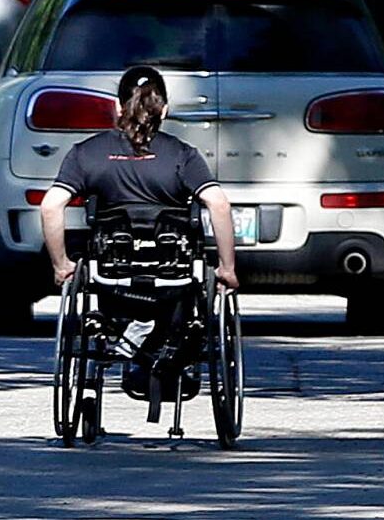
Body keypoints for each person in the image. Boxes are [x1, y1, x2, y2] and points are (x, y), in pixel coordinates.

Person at [39, 66, 238, 389]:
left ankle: (121, 337)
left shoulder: (87, 153)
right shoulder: (183, 155)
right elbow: (219, 204)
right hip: (174, 276)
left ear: (118, 107)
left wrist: (61, 265)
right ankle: (171, 344)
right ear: (165, 110)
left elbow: (51, 205)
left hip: (112, 274)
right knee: (188, 286)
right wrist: (227, 268)